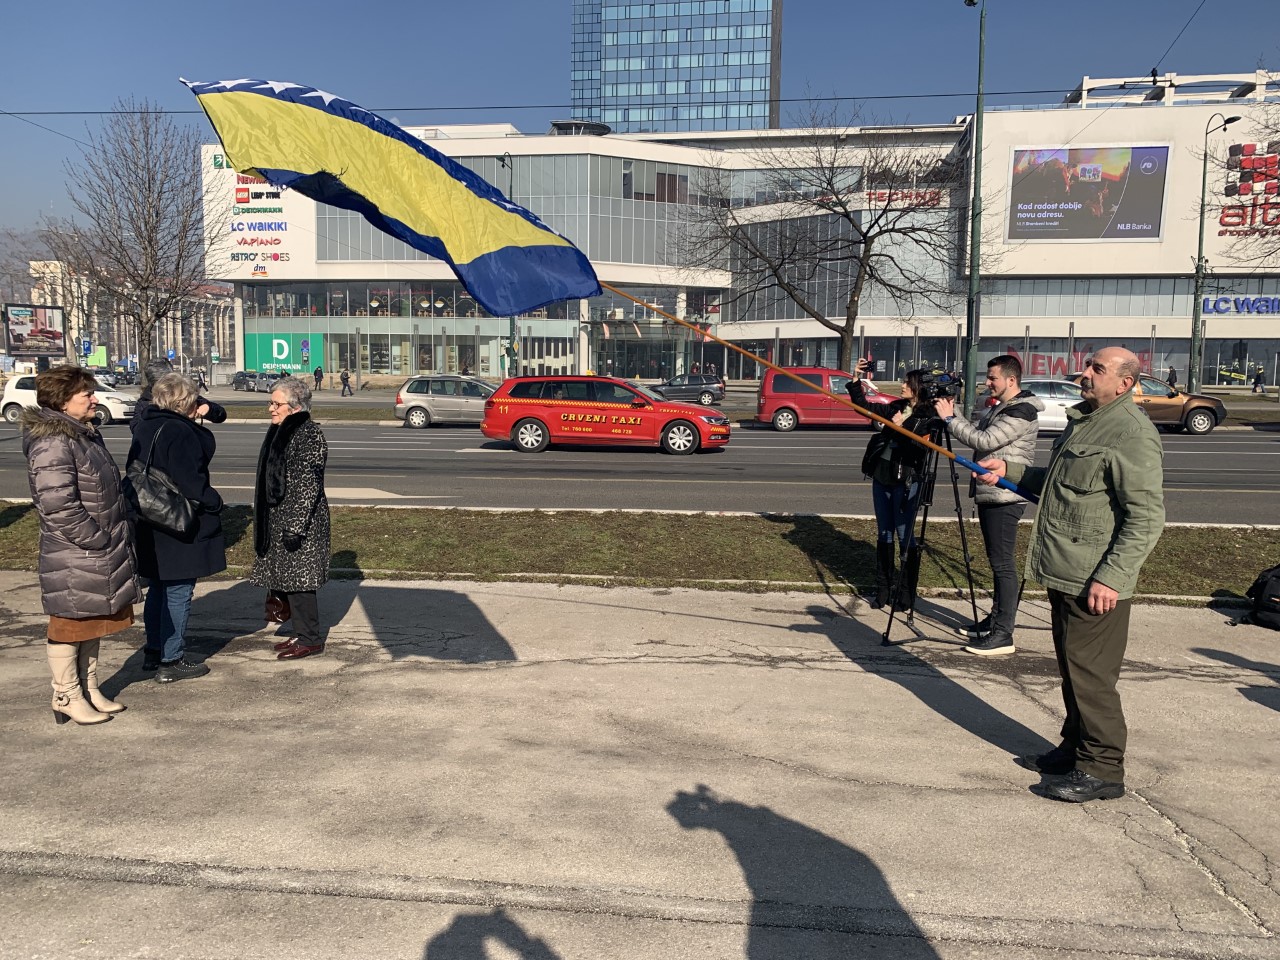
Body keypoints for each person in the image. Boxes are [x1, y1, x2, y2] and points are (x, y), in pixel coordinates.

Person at [978, 347, 1164, 803]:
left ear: (1124, 383)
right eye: (1088, 365)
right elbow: (1063, 484)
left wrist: (1112, 578)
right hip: (1067, 571)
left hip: (1095, 580)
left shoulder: (1131, 433)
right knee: (1073, 671)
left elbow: (1146, 517)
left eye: (1096, 369)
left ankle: (1103, 770)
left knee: (1092, 678)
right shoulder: (1088, 420)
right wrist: (1012, 471)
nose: (1083, 373)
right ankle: (1075, 749)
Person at [22, 366, 141, 725]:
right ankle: (66, 694)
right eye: (86, 394)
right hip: (75, 553)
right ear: (62, 400)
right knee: (69, 625)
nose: (94, 398)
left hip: (94, 551)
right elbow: (58, 505)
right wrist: (98, 539)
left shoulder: (82, 434)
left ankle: (88, 688)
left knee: (92, 621)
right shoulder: (52, 442)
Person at [934, 356, 1042, 656]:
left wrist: (949, 419)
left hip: (1006, 495)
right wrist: (951, 408)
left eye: (992, 378)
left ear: (1011, 380)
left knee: (1003, 565)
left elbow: (986, 440)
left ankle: (1003, 634)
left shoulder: (1022, 410)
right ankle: (995, 620)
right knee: (998, 563)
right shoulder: (1004, 407)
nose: (987, 382)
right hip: (992, 493)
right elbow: (979, 435)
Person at [127, 373, 226, 682]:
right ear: (186, 402)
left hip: (149, 516)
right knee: (179, 591)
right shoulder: (180, 431)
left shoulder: (146, 423)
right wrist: (215, 503)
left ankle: (154, 651)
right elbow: (191, 483)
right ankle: (172, 659)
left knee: (158, 586)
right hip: (177, 520)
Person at [849, 358, 939, 610]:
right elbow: (863, 407)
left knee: (904, 535)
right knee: (884, 533)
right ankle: (883, 590)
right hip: (882, 477)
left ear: (917, 387)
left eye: (906, 382)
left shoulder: (928, 415)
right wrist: (857, 380)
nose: (902, 385)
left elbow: (922, 446)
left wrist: (903, 426)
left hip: (906, 482)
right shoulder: (896, 406)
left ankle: (907, 594)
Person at [252, 377, 331, 660]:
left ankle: (310, 638)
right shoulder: (281, 430)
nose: (271, 409)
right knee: (288, 580)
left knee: (301, 583)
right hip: (280, 519)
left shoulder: (308, 434)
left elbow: (309, 486)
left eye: (277, 404)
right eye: (270, 403)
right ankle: (299, 632)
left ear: (295, 407)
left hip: (301, 523)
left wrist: (296, 527)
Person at [131, 357, 226, 431]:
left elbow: (220, 415)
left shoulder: (184, 394)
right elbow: (136, 428)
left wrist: (208, 408)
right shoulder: (144, 403)